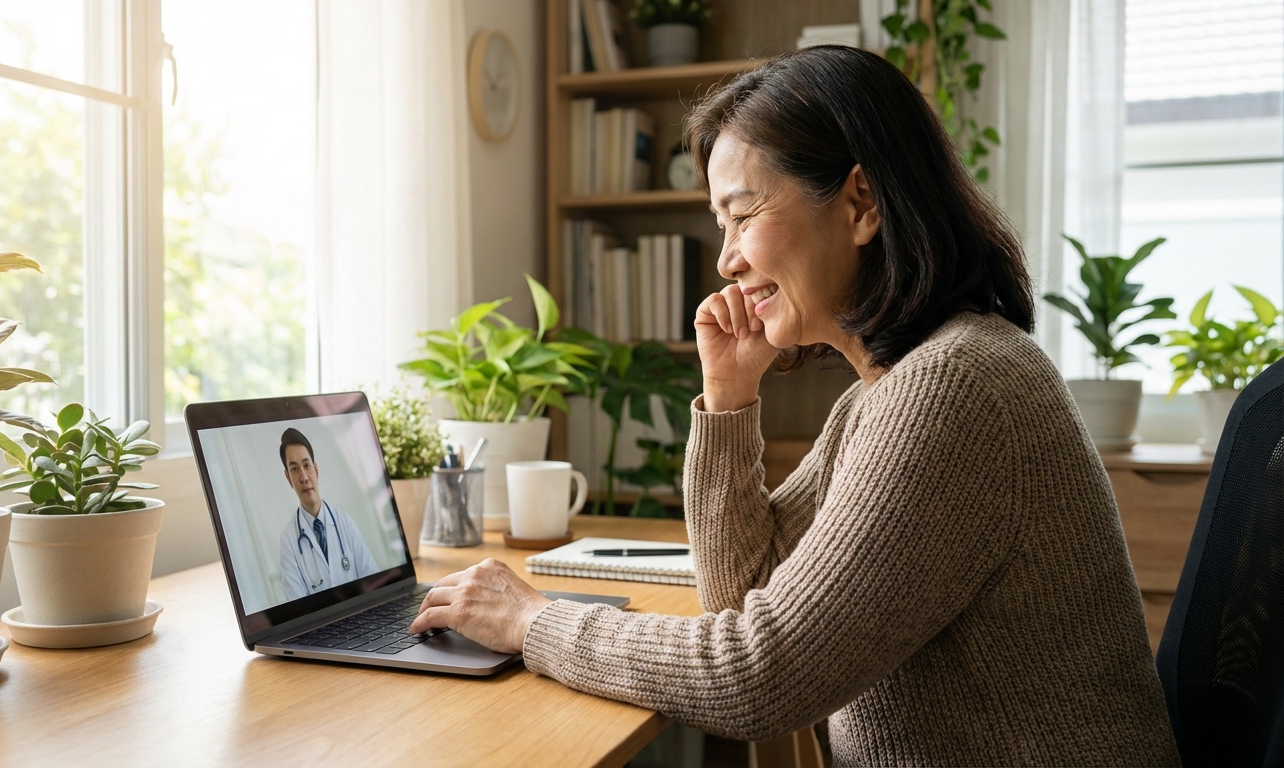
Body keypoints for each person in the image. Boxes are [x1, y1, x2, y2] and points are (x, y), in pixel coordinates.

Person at [409, 46, 1180, 764]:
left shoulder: (953, 389)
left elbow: (756, 676)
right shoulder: (886, 391)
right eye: (721, 225)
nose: (725, 258)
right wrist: (729, 399)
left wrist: (532, 622)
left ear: (861, 204)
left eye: (744, 214)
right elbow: (746, 598)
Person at [278, 427, 379, 600]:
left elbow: (374, 583)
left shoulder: (345, 522)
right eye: (295, 469)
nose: (304, 477)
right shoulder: (288, 540)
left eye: (307, 465)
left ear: (316, 470)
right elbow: (298, 606)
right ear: (288, 478)